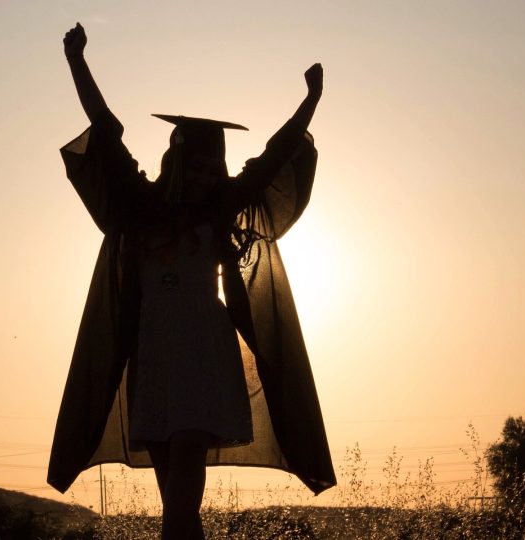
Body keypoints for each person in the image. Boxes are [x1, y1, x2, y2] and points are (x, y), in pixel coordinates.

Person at [48, 22, 336, 539]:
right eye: (198, 166)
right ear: (176, 159)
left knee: (185, 462)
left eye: (213, 168)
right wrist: (76, 63)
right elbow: (106, 130)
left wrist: (310, 101)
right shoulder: (140, 206)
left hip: (204, 348)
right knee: (176, 500)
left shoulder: (222, 208)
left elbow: (273, 156)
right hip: (153, 350)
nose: (206, 177)